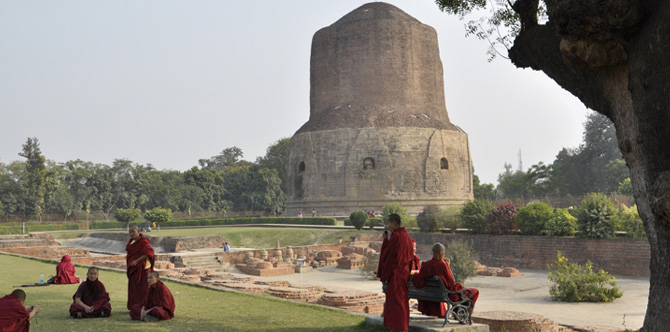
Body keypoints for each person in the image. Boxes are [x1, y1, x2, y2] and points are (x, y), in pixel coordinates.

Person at [412, 243, 479, 318]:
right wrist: (448, 266)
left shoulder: (425, 264)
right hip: (447, 294)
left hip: (433, 294)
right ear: (441, 252)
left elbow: (420, 279)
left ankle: (460, 314)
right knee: (475, 291)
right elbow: (452, 282)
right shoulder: (442, 265)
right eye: (444, 252)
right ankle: (463, 315)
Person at [376, 213, 414, 331]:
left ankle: (398, 327)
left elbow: (388, 256)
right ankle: (399, 327)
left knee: (396, 302)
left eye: (388, 223)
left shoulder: (397, 236)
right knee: (400, 301)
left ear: (394, 223)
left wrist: (385, 241)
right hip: (403, 273)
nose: (387, 226)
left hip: (397, 274)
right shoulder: (406, 235)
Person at [126, 225, 155, 310]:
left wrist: (137, 261)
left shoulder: (143, 241)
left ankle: (146, 305)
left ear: (138, 231)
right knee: (134, 289)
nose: (131, 234)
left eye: (133, 232)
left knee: (145, 288)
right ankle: (134, 306)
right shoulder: (131, 242)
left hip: (143, 268)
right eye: (130, 232)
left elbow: (148, 253)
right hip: (133, 269)